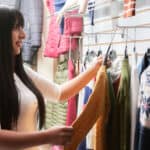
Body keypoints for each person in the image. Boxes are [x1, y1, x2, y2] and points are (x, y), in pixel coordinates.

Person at [0, 7, 102, 150]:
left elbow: (59, 93)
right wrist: (48, 136)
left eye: (22, 28)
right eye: (16, 28)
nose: (23, 35)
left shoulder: (22, 73)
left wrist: (94, 69)